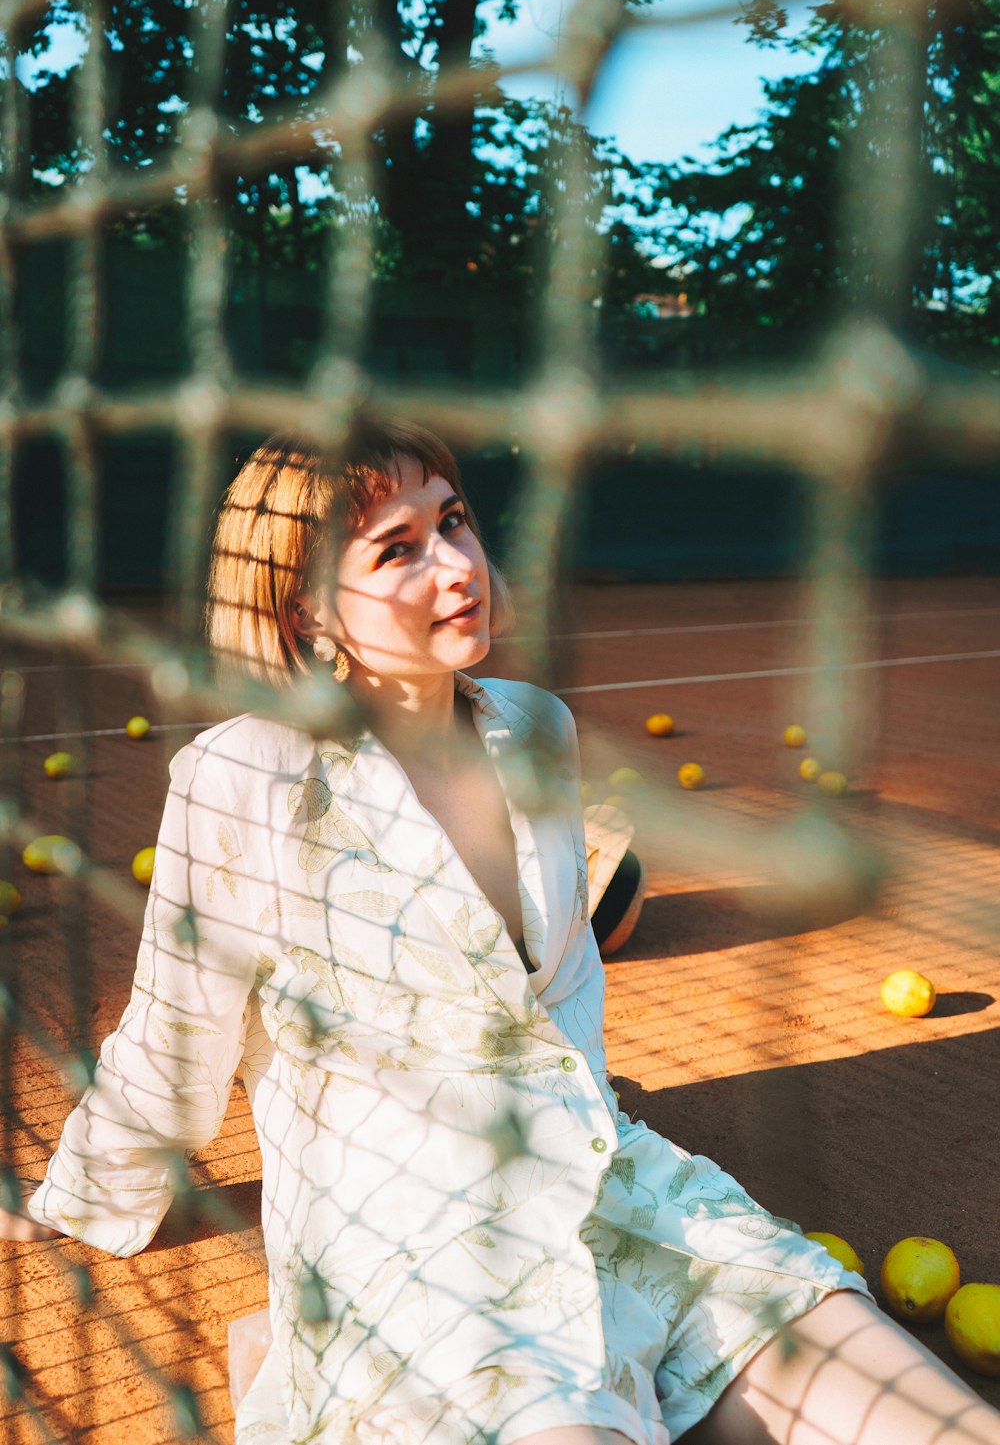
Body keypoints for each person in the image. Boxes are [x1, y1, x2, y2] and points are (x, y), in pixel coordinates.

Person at [3, 412, 999, 1445]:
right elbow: (175, 1034)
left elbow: (560, 990)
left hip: (621, 1198)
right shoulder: (244, 774)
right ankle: (299, 1357)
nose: (456, 564)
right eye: (397, 550)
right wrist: (78, 1197)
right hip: (416, 1251)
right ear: (304, 614)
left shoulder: (536, 728)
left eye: (454, 521)